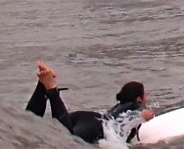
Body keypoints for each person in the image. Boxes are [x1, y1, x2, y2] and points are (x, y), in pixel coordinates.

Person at [26, 60, 154, 144]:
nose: (145, 99)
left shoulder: (120, 106)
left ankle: (42, 85)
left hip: (84, 118)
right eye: (144, 96)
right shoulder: (136, 106)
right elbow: (141, 114)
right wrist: (147, 115)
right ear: (138, 98)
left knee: (30, 124)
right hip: (95, 126)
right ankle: (51, 89)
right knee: (67, 139)